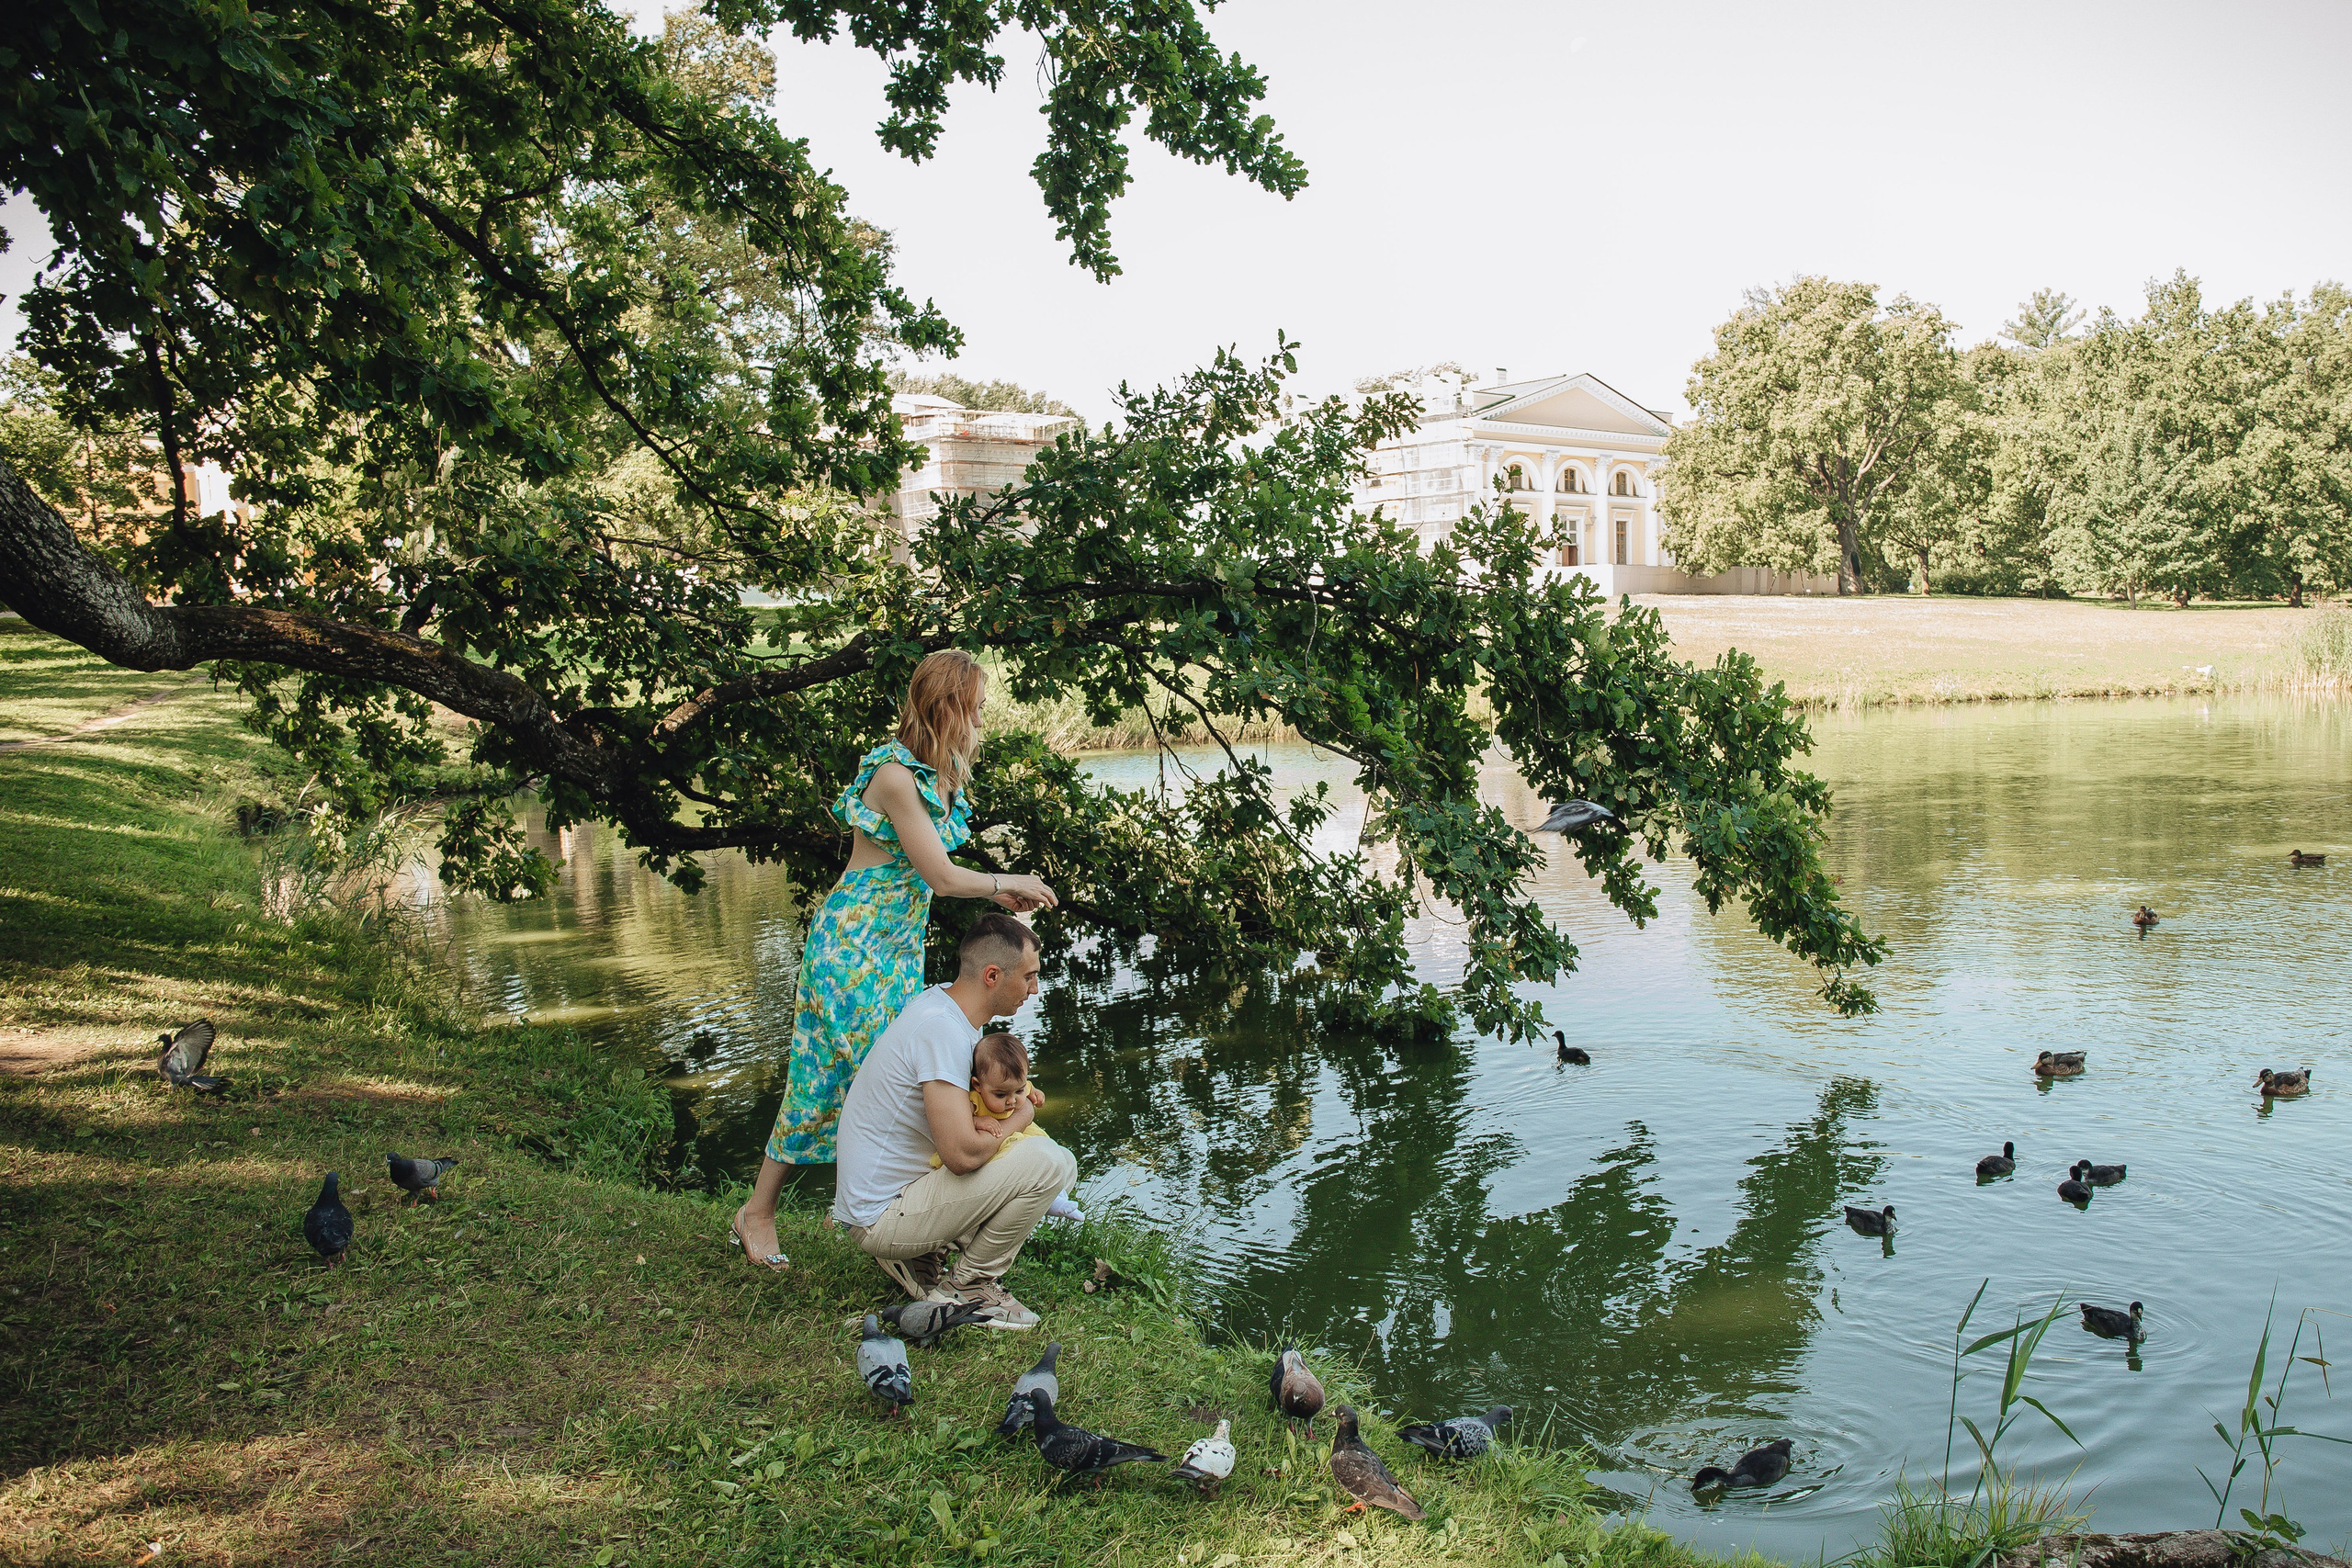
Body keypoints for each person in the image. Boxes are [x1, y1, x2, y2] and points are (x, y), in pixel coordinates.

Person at [728, 649, 1057, 1272]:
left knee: (893, 1077)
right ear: (947, 707)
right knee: (832, 1079)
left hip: (897, 949)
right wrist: (1003, 881)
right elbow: (940, 875)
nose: (980, 719)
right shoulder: (894, 776)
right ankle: (766, 1212)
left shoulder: (940, 777)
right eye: (975, 707)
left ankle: (889, 1209)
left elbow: (936, 872)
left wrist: (995, 894)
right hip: (851, 948)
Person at [832, 913, 1077, 1328]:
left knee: (1050, 1161)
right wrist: (1022, 1115)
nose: (1034, 989)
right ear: (993, 975)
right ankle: (969, 1285)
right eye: (1029, 977)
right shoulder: (943, 1031)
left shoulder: (942, 1008)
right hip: (879, 1218)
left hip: (883, 1201)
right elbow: (962, 1155)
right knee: (1051, 1162)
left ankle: (921, 1257)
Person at [930, 1032, 1085, 1224]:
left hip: (1019, 1135)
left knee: (1055, 1156)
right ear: (978, 1085)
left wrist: (1035, 1093)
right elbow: (959, 1122)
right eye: (1000, 1095)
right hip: (995, 1148)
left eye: (1018, 1091)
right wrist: (978, 1121)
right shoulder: (974, 1099)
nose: (1012, 1100)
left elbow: (1029, 1087)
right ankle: (1049, 1202)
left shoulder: (1016, 1086)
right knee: (1034, 1162)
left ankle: (1057, 1197)